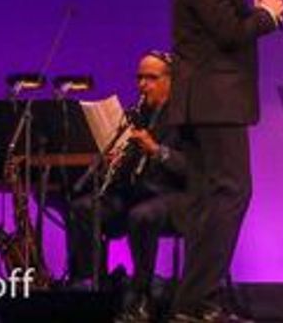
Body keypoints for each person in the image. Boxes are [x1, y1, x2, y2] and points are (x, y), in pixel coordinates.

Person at [166, 0, 283, 323]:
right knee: (231, 193)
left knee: (207, 200)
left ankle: (194, 303)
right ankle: (198, 299)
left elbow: (223, 28)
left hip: (207, 104)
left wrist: (254, 12)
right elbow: (228, 34)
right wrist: (267, 15)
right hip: (214, 104)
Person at [67, 51, 190, 323]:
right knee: (83, 208)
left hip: (175, 195)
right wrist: (116, 158)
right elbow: (130, 171)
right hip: (139, 193)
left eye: (152, 78)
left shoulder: (186, 116)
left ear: (172, 81)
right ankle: (95, 285)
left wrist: (156, 150)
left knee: (142, 215)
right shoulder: (139, 114)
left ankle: (141, 294)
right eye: (140, 78)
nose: (143, 85)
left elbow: (193, 168)